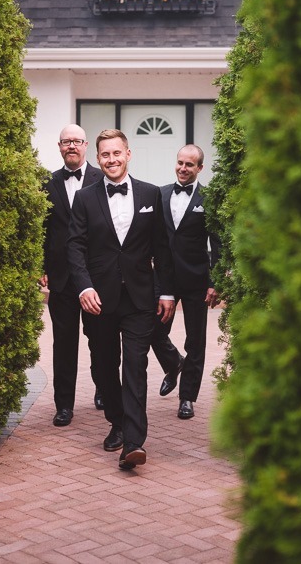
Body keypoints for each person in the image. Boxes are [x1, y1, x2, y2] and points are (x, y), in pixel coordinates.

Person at [67, 129, 176, 471]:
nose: (111, 160)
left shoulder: (151, 194)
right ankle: (116, 420)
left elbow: (162, 247)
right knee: (103, 366)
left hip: (140, 298)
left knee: (135, 367)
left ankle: (133, 443)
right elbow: (75, 247)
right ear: (97, 159)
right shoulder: (84, 198)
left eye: (117, 153)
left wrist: (166, 291)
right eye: (105, 155)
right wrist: (84, 287)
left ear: (129, 153)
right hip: (98, 299)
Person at [150, 144, 221, 420]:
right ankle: (173, 363)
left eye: (189, 165)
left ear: (199, 168)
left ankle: (187, 397)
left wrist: (214, 281)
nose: (183, 168)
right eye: (180, 162)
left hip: (196, 280)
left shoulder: (209, 198)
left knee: (196, 340)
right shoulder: (161, 193)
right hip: (164, 279)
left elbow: (217, 244)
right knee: (151, 329)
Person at [41, 124, 104, 427]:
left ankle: (103, 390)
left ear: (86, 145)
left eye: (76, 141)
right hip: (61, 278)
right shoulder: (47, 183)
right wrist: (40, 267)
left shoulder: (101, 179)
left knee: (100, 339)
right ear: (59, 146)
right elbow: (41, 230)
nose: (71, 146)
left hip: (94, 278)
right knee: (63, 344)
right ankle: (63, 405)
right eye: (66, 142)